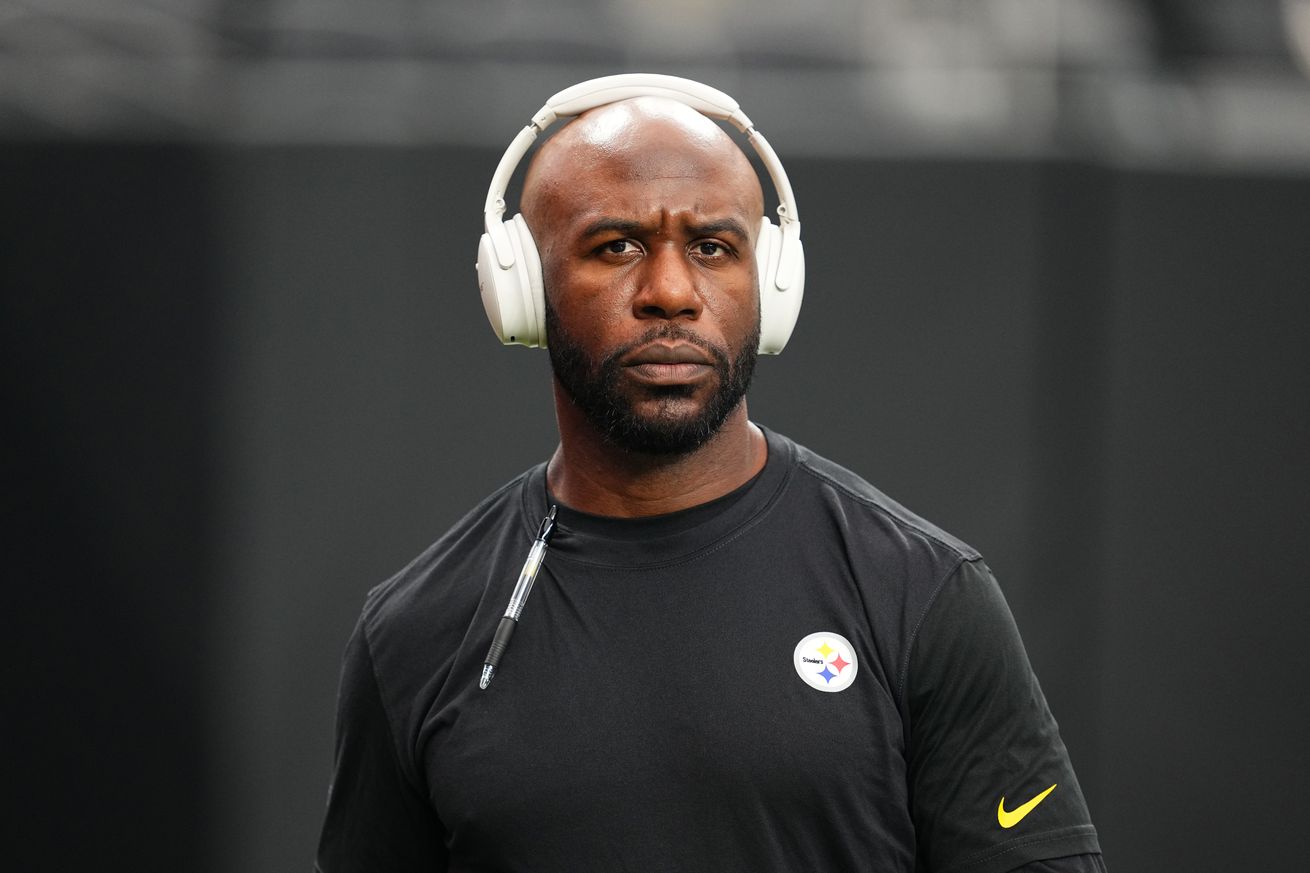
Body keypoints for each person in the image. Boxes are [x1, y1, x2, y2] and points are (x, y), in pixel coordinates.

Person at [316, 75, 1104, 873]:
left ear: (770, 284)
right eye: (615, 245)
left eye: (712, 248)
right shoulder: (414, 633)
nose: (669, 292)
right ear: (519, 288)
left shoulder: (924, 596)